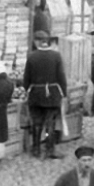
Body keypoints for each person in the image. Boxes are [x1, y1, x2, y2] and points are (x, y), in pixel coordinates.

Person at [24, 30, 67, 159]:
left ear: (36, 42)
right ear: (47, 42)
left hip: (35, 94)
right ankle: (50, 150)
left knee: (36, 123)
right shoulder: (56, 56)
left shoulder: (31, 56)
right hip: (52, 94)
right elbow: (61, 77)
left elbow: (26, 78)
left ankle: (36, 149)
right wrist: (63, 93)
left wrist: (27, 90)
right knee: (50, 124)